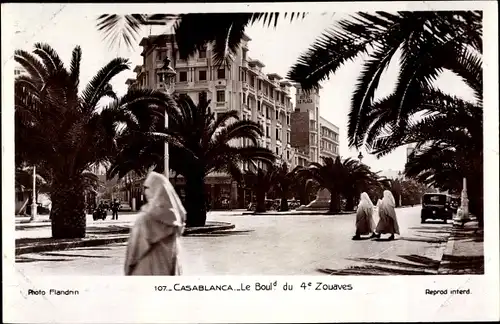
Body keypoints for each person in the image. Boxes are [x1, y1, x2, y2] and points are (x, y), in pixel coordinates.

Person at [124, 171, 186, 276]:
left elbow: (133, 254)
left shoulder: (145, 219)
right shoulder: (174, 221)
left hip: (145, 271)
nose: (145, 192)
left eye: (147, 188)